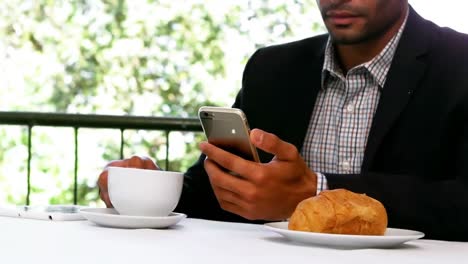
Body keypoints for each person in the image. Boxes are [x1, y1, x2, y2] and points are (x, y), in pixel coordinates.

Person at [98, 0, 468, 241]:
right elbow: (214, 194)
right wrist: (143, 187)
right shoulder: (272, 69)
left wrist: (314, 191)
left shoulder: (459, 64)